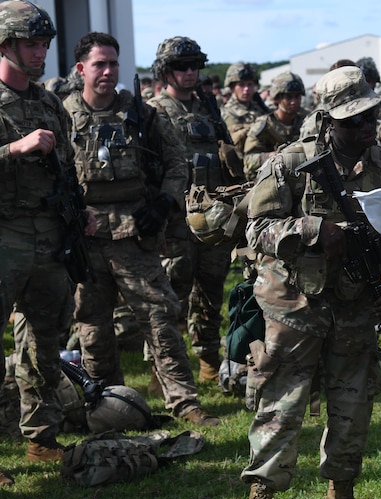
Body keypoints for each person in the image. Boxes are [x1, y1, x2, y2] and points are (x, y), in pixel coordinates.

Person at [232, 65, 381, 499]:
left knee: (353, 403)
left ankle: (341, 496)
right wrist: (313, 231)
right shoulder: (290, 161)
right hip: (294, 303)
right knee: (280, 406)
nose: (365, 127)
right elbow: (255, 229)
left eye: (370, 116)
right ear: (328, 120)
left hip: (357, 305)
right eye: (353, 120)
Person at [64, 32, 219, 426]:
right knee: (94, 329)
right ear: (81, 69)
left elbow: (177, 164)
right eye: (100, 64)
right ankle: (107, 404)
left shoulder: (143, 114)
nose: (108, 71)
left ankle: (185, 402)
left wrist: (165, 202)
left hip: (136, 234)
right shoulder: (61, 115)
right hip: (87, 239)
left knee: (161, 320)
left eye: (114, 63)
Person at [0, 0, 92, 462]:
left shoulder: (49, 101)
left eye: (44, 44)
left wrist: (80, 208)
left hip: (49, 232)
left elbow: (67, 166)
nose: (39, 53)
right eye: (30, 44)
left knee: (45, 340)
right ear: (6, 44)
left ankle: (40, 437)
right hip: (4, 232)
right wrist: (14, 147)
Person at [148, 36, 237, 384]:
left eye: (194, 66)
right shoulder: (153, 111)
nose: (189, 73)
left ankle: (208, 359)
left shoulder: (208, 112)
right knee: (172, 295)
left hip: (212, 216)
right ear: (165, 71)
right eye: (180, 67)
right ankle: (164, 368)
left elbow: (228, 158)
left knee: (211, 291)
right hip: (175, 218)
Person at [243, 71, 308, 179]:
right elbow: (248, 160)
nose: (294, 102)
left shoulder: (306, 119)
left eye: (297, 96)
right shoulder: (264, 124)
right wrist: (274, 156)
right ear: (277, 98)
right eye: (288, 97)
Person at [221, 62, 269, 153]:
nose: (246, 89)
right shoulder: (227, 113)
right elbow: (234, 142)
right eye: (241, 85)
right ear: (232, 88)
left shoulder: (259, 109)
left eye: (250, 84)